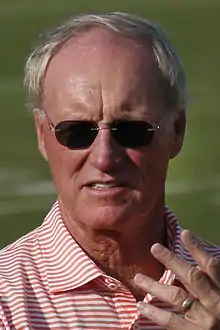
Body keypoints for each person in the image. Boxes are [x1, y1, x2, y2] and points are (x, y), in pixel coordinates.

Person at [0, 12, 220, 330]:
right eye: (76, 132)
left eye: (131, 130)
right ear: (41, 134)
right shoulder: (7, 301)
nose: (104, 157)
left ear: (177, 131)